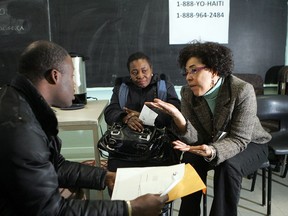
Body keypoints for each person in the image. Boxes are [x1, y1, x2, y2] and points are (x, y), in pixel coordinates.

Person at [0, 40, 167, 216]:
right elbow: (50, 211)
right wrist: (130, 208)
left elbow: (55, 166)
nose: (75, 83)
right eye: (72, 76)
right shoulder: (21, 130)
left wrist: (106, 177)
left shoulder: (21, 103)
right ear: (55, 76)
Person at [145, 41, 272, 216]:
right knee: (190, 159)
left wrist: (212, 151)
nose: (188, 77)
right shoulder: (187, 93)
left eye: (194, 70)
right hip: (211, 142)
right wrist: (179, 118)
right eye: (186, 72)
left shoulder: (242, 90)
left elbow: (239, 139)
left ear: (214, 70)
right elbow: (194, 139)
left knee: (228, 166)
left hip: (251, 143)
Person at [104, 52, 181, 216]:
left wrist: (143, 116)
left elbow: (173, 114)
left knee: (160, 188)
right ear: (130, 74)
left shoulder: (164, 86)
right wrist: (125, 117)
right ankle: (125, 208)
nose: (140, 75)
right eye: (134, 72)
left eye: (144, 70)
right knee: (118, 184)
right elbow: (110, 112)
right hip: (126, 148)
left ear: (151, 70)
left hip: (158, 149)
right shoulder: (122, 87)